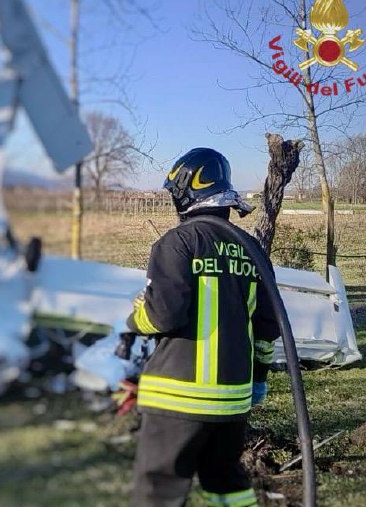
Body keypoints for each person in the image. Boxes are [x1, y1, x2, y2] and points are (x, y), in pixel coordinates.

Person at [125, 147, 280, 507]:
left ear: (185, 191)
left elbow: (163, 315)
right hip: (232, 401)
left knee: (158, 491)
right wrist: (258, 381)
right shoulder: (252, 250)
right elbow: (268, 327)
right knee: (226, 483)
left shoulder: (177, 243)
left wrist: (135, 317)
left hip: (177, 398)